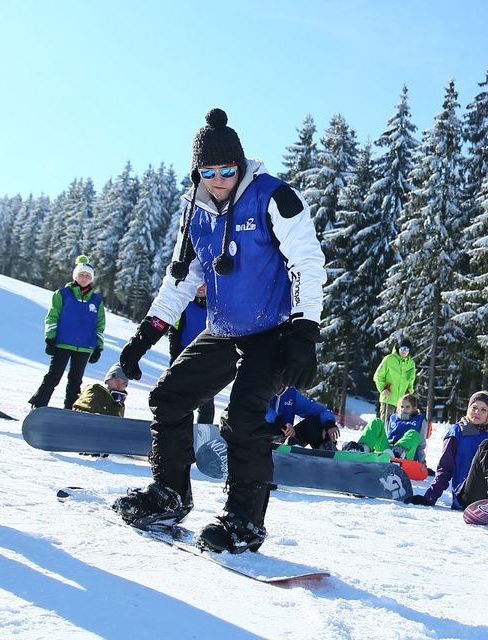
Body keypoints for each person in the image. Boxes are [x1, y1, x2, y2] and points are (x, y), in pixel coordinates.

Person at [111, 108, 325, 554]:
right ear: (198, 172)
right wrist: (145, 336)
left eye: (228, 169)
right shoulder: (195, 210)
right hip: (225, 328)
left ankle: (244, 522)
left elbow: (307, 261)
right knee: (169, 397)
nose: (219, 179)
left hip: (275, 331)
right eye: (208, 171)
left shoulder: (274, 196)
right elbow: (181, 279)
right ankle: (169, 493)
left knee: (245, 417)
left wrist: (306, 331)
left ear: (241, 164)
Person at [28, 256, 105, 410]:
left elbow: (100, 325)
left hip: (84, 346)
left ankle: (70, 410)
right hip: (63, 342)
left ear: (91, 279)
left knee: (76, 381)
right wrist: (50, 339)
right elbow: (52, 316)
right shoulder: (62, 294)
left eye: (88, 276)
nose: (84, 278)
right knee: (54, 375)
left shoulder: (96, 301)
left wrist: (98, 347)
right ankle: (38, 405)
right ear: (76, 276)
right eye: (82, 275)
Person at [168, 283, 215, 423]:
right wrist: (175, 356)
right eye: (197, 284)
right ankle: (174, 433)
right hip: (184, 357)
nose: (201, 288)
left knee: (206, 405)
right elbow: (174, 331)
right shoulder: (184, 304)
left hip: (207, 361)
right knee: (179, 400)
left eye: (205, 285)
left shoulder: (216, 307)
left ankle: (203, 436)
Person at [346, 393, 425, 461]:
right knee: (376, 422)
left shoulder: (419, 420)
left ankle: (398, 452)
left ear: (414, 408)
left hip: (406, 455)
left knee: (413, 434)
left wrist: (422, 463)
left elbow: (421, 444)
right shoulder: (393, 418)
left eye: (407, 407)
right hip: (387, 451)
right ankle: (363, 448)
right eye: (402, 406)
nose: (403, 409)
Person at [269, 386, 339, 451]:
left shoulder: (291, 394)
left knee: (314, 421)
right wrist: (280, 422)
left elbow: (321, 411)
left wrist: (329, 423)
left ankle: (325, 450)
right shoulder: (260, 389)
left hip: (287, 438)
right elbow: (260, 408)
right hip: (262, 437)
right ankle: (281, 443)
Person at [373, 338, 416, 424]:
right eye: (402, 348)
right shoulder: (389, 359)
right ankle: (383, 437)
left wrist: (410, 391)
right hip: (388, 399)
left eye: (407, 349)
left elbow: (411, 379)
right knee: (386, 424)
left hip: (403, 403)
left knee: (402, 425)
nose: (404, 351)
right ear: (398, 348)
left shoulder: (411, 363)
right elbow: (378, 376)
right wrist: (382, 389)